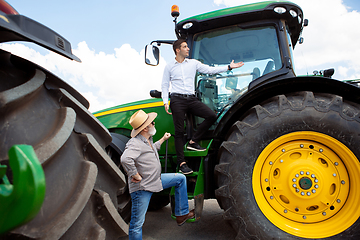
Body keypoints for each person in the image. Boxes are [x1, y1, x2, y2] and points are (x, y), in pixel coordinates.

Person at [161, 38, 244, 174]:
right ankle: (182, 163)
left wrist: (228, 67)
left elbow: (210, 70)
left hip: (191, 99)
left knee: (211, 115)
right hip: (177, 100)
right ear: (178, 50)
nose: (188, 49)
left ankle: (193, 142)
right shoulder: (169, 66)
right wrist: (165, 101)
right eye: (185, 47)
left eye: (187, 46)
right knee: (179, 132)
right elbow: (165, 84)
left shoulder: (193, 63)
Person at [121, 109, 194, 240]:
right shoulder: (135, 143)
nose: (154, 124)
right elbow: (125, 159)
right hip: (142, 187)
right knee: (137, 224)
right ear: (144, 128)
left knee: (180, 178)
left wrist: (163, 139)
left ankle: (181, 215)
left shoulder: (147, 140)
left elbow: (153, 148)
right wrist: (135, 174)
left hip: (156, 180)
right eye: (152, 123)